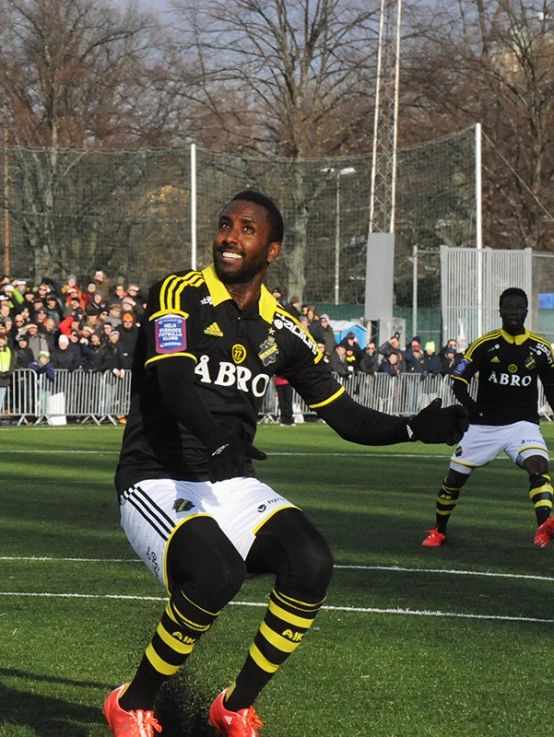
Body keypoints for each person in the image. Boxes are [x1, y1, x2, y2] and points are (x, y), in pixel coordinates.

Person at [103, 190, 468, 737]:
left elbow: (345, 414)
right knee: (216, 573)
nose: (230, 236)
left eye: (246, 229)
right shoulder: (177, 293)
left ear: (271, 250)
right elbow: (173, 381)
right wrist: (215, 437)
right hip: (156, 477)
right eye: (226, 225)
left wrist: (412, 427)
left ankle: (234, 706)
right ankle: (131, 703)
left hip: (230, 481)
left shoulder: (285, 330)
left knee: (312, 561)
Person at [422, 287, 554, 549]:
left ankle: (544, 526)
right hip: (483, 426)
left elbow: (551, 388)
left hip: (522, 425)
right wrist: (471, 409)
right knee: (454, 480)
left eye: (519, 307)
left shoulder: (542, 349)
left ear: (527, 312)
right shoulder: (484, 344)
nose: (514, 311)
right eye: (509, 306)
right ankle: (439, 530)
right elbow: (458, 380)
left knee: (538, 466)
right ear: (500, 311)